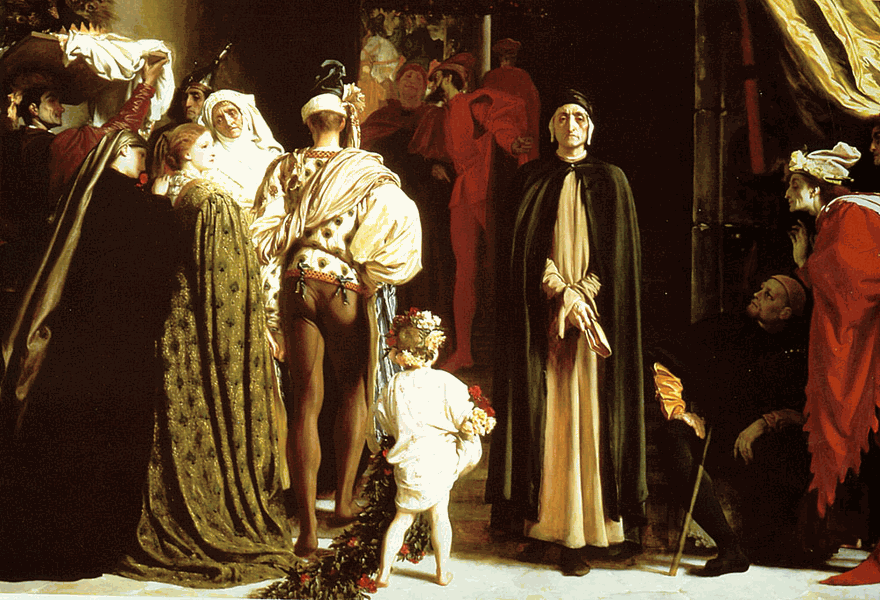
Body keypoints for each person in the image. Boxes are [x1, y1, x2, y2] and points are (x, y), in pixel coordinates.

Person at [251, 60, 422, 559]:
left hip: (297, 281)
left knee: (305, 401)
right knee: (353, 391)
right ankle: (343, 502)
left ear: (309, 123)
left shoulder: (284, 166)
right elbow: (399, 223)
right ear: (345, 121)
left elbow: (261, 234)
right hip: (344, 284)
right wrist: (372, 269)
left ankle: (306, 532)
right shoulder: (366, 170)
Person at [113, 122, 297, 586]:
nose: (211, 150)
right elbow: (224, 279)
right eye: (203, 145)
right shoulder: (209, 198)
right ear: (183, 153)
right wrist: (251, 332)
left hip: (178, 326)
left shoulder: (176, 194)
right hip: (202, 324)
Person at [0, 129, 176, 580]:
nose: (145, 160)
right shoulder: (125, 199)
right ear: (123, 152)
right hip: (112, 345)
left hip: (81, 341)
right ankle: (84, 544)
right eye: (141, 152)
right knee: (98, 444)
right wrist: (159, 203)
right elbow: (147, 264)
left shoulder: (92, 195)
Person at [486, 89, 645, 576]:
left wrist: (583, 295)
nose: (570, 124)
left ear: (590, 127)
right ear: (550, 126)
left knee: (590, 417)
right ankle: (544, 529)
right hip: (546, 318)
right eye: (561, 117)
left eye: (578, 117)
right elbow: (523, 251)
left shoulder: (612, 180)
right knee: (549, 417)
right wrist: (559, 292)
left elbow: (617, 257)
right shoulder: (531, 179)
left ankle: (586, 532)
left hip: (594, 318)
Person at [653, 275, 811, 575]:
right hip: (718, 433)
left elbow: (807, 410)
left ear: (785, 313)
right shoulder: (725, 327)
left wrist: (763, 424)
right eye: (760, 289)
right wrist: (680, 412)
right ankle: (729, 548)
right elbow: (665, 356)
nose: (757, 294)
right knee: (671, 436)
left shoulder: (798, 348)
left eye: (768, 295)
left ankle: (770, 545)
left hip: (766, 441)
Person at [785, 142, 880, 586]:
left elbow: (854, 281)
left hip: (867, 346)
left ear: (817, 188)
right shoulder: (836, 216)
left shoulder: (847, 212)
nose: (788, 194)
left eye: (795, 185)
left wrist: (806, 265)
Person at [417, 52, 531, 372]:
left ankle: (511, 350)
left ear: (449, 78)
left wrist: (512, 144)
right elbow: (445, 149)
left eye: (437, 78)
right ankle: (464, 350)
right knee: (464, 272)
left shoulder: (472, 102)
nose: (433, 84)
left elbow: (498, 125)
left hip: (487, 190)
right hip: (463, 193)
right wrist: (438, 165)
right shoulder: (442, 113)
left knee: (500, 266)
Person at [370, 308, 492, 588]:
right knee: (439, 517)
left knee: (402, 519)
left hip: (408, 463)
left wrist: (401, 432)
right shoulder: (444, 382)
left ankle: (383, 574)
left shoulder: (394, 384)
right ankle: (441, 572)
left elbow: (383, 418)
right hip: (437, 462)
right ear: (433, 352)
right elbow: (463, 415)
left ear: (401, 355)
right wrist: (472, 421)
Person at [361, 62, 453, 321]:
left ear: (424, 89)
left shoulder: (433, 117)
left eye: (418, 78)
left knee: (426, 257)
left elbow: (447, 154)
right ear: (398, 84)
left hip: (426, 202)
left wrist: (439, 165)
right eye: (407, 76)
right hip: (390, 199)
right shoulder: (381, 117)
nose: (412, 80)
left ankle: (424, 323)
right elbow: (370, 156)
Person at [200, 89, 283, 215]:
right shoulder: (209, 161)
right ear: (213, 126)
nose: (229, 122)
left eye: (232, 113)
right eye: (219, 120)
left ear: (243, 114)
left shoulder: (269, 155)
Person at [481, 38, 540, 163]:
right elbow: (533, 109)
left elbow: (484, 109)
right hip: (519, 137)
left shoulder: (489, 77)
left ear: (499, 58)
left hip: (495, 138)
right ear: (515, 57)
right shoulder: (523, 76)